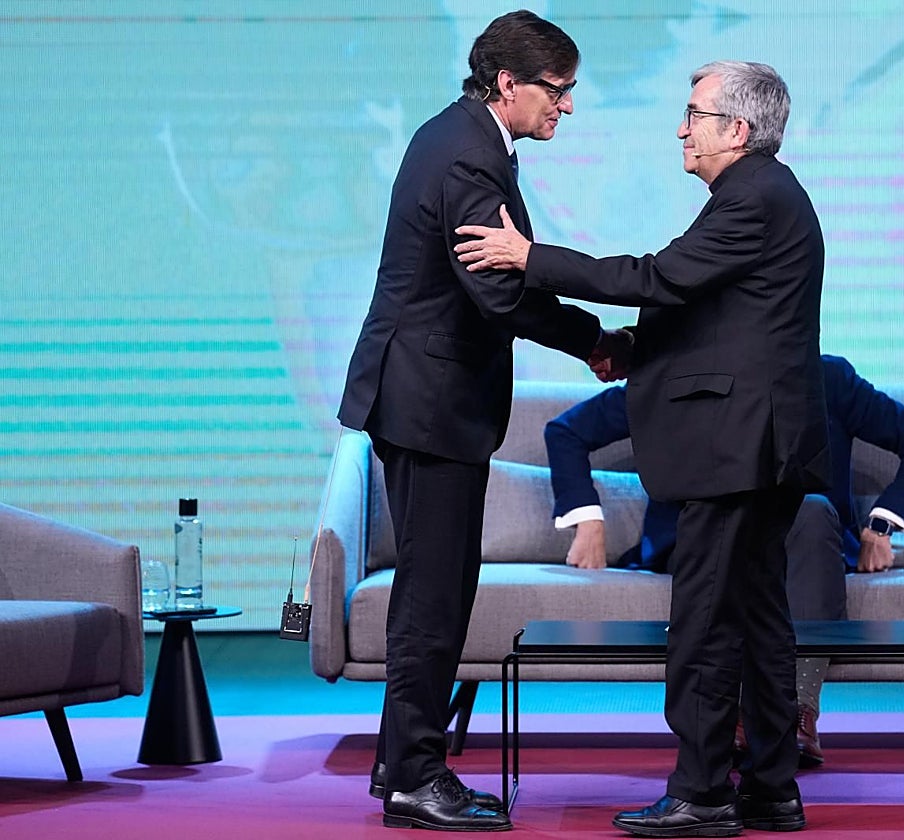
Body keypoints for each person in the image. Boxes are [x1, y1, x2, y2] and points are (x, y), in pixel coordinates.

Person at [456, 60, 828, 837]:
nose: (682, 128)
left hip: (739, 452)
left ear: (737, 129)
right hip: (760, 449)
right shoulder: (760, 195)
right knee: (759, 619)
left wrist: (530, 257)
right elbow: (705, 311)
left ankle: (701, 793)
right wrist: (625, 346)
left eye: (694, 113)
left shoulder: (753, 196)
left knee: (704, 622)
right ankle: (769, 786)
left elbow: (655, 278)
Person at [337, 10, 628, 832]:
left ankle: (401, 761)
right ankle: (416, 780)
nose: (566, 107)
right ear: (509, 83)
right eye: (558, 90)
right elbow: (499, 289)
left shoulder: (464, 137)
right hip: (429, 401)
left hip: (426, 396)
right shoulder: (469, 154)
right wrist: (595, 341)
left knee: (436, 586)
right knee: (435, 593)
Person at [544, 355, 904, 768]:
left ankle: (797, 711)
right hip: (702, 533)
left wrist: (881, 526)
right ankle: (735, 718)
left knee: (809, 509)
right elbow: (567, 432)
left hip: (803, 540)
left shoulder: (825, 377)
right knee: (723, 518)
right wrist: (589, 521)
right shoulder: (677, 376)